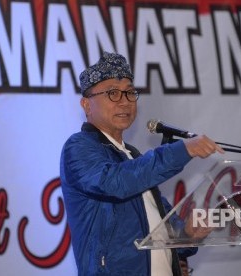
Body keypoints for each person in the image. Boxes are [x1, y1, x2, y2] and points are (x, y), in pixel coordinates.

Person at [60, 51, 224, 276]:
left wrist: (186, 233)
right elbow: (115, 183)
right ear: (86, 105)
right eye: (113, 93)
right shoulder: (78, 147)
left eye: (129, 92)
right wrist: (181, 150)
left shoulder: (132, 156)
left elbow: (160, 227)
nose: (125, 101)